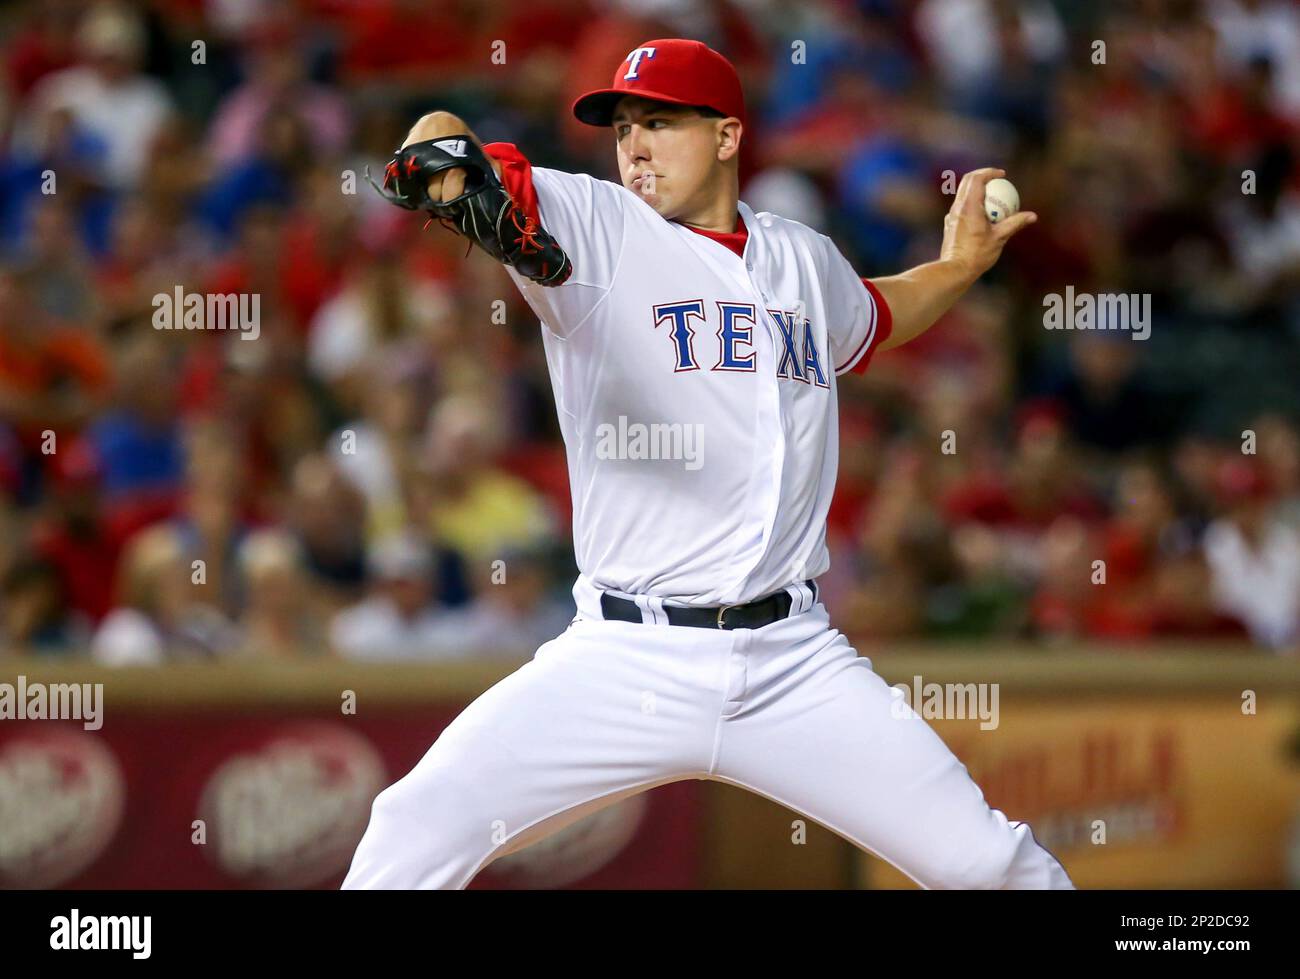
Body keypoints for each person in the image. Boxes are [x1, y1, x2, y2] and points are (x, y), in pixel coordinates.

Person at [344, 38, 1072, 890]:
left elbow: (875, 313)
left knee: (992, 863)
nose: (635, 146)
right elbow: (439, 142)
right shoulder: (598, 229)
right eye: (623, 129)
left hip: (794, 660)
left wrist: (955, 268)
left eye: (660, 122)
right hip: (625, 657)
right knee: (413, 828)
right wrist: (446, 168)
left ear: (728, 136)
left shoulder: (802, 258)